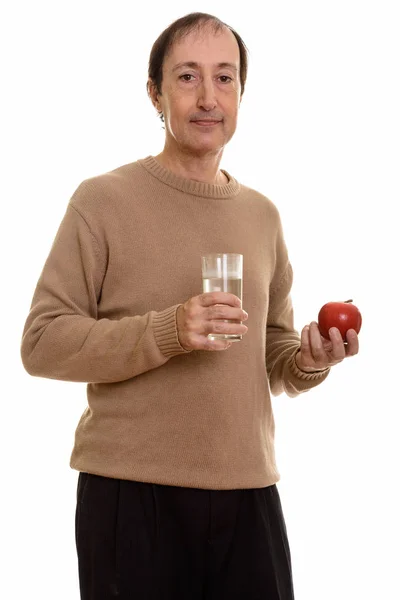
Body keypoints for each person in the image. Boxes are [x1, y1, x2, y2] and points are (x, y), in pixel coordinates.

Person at [20, 11, 359, 600]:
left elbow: (273, 351)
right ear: (154, 92)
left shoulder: (262, 214)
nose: (208, 97)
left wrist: (310, 358)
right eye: (187, 77)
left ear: (241, 93)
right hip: (130, 497)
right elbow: (42, 342)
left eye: (224, 78)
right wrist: (171, 329)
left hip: (249, 490)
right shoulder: (101, 201)